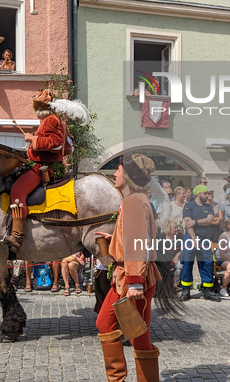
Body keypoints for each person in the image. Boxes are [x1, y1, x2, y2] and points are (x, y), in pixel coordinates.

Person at [93, 154, 162, 381]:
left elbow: (136, 245)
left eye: (119, 170)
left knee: (124, 330)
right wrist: (115, 238)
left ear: (129, 176)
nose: (114, 174)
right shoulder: (140, 199)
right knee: (124, 329)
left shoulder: (133, 202)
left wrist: (135, 282)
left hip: (132, 278)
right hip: (132, 276)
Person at [2, 90, 89, 252]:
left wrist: (32, 139)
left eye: (36, 110)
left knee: (17, 191)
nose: (35, 114)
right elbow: (68, 148)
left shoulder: (49, 121)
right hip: (46, 163)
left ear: (40, 110)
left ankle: (17, 235)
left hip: (41, 167)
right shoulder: (58, 122)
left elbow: (55, 143)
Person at [179, 184, 221, 303]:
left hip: (205, 238)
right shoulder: (189, 206)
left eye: (208, 193)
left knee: (207, 264)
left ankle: (207, 290)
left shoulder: (209, 207)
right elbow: (188, 223)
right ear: (198, 194)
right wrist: (193, 238)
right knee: (187, 263)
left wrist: (195, 221)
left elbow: (209, 220)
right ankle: (185, 290)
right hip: (191, 238)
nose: (208, 196)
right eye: (205, 193)